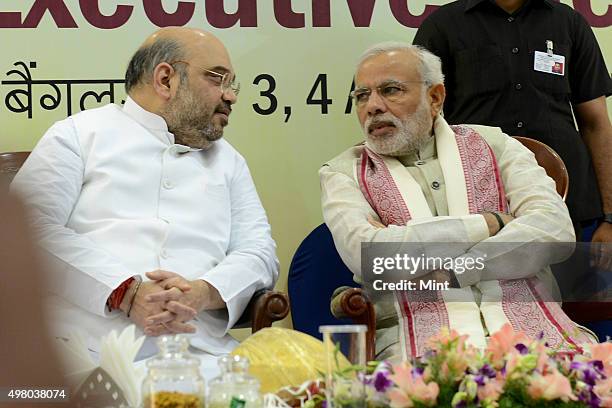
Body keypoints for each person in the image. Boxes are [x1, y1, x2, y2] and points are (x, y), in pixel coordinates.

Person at [11, 27, 279, 359]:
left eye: (231, 84)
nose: (231, 96)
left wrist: (204, 292)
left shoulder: (230, 160)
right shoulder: (78, 135)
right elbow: (25, 234)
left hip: (205, 356)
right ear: (166, 79)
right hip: (88, 354)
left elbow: (259, 251)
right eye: (217, 79)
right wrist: (126, 292)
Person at [319, 42, 596, 361]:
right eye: (362, 96)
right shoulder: (342, 174)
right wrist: (491, 223)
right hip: (413, 342)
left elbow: (555, 232)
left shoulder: (497, 145)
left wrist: (461, 267)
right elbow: (374, 258)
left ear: (435, 97)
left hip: (534, 330)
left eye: (390, 90)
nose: (373, 106)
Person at [413, 0, 612, 336]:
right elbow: (423, 126)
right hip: (481, 215)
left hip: (573, 212)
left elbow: (596, 124)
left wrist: (609, 217)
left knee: (581, 324)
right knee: (498, 324)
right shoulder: (442, 26)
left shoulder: (569, 23)